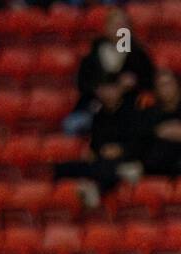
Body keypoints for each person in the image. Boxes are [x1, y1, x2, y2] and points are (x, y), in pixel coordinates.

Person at [53, 76, 144, 206]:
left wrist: (120, 150)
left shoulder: (133, 113)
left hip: (125, 158)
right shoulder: (98, 116)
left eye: (111, 89)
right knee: (62, 168)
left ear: (119, 90)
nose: (108, 93)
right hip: (101, 159)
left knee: (108, 169)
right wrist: (95, 151)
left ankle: (96, 189)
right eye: (104, 89)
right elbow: (96, 143)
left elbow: (140, 142)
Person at [65, 6, 155, 135]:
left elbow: (149, 83)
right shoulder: (92, 53)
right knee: (72, 125)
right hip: (95, 108)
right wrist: (99, 91)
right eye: (115, 24)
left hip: (130, 110)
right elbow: (83, 83)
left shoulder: (138, 55)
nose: (119, 29)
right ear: (106, 27)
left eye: (123, 25)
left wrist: (130, 85)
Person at [136, 69, 181, 178]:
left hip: (180, 163)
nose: (165, 89)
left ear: (177, 85)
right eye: (161, 85)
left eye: (168, 84)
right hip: (152, 165)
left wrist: (161, 131)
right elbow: (144, 136)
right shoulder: (150, 112)